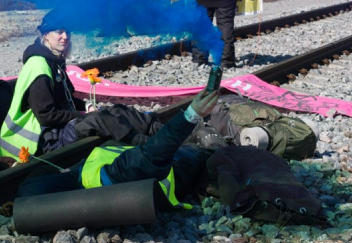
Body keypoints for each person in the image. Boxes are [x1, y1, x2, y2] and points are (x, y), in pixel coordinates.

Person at [16, 85, 221, 206]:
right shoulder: (104, 179)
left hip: (179, 157)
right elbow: (151, 156)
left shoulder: (85, 172)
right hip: (187, 163)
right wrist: (190, 115)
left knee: (115, 115)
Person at [0, 10, 90, 160]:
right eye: (59, 32)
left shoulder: (52, 60)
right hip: (26, 146)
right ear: (46, 35)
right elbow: (47, 115)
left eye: (67, 32)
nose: (65, 37)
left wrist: (86, 107)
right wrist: (83, 115)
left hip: (39, 133)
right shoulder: (39, 66)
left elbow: (64, 98)